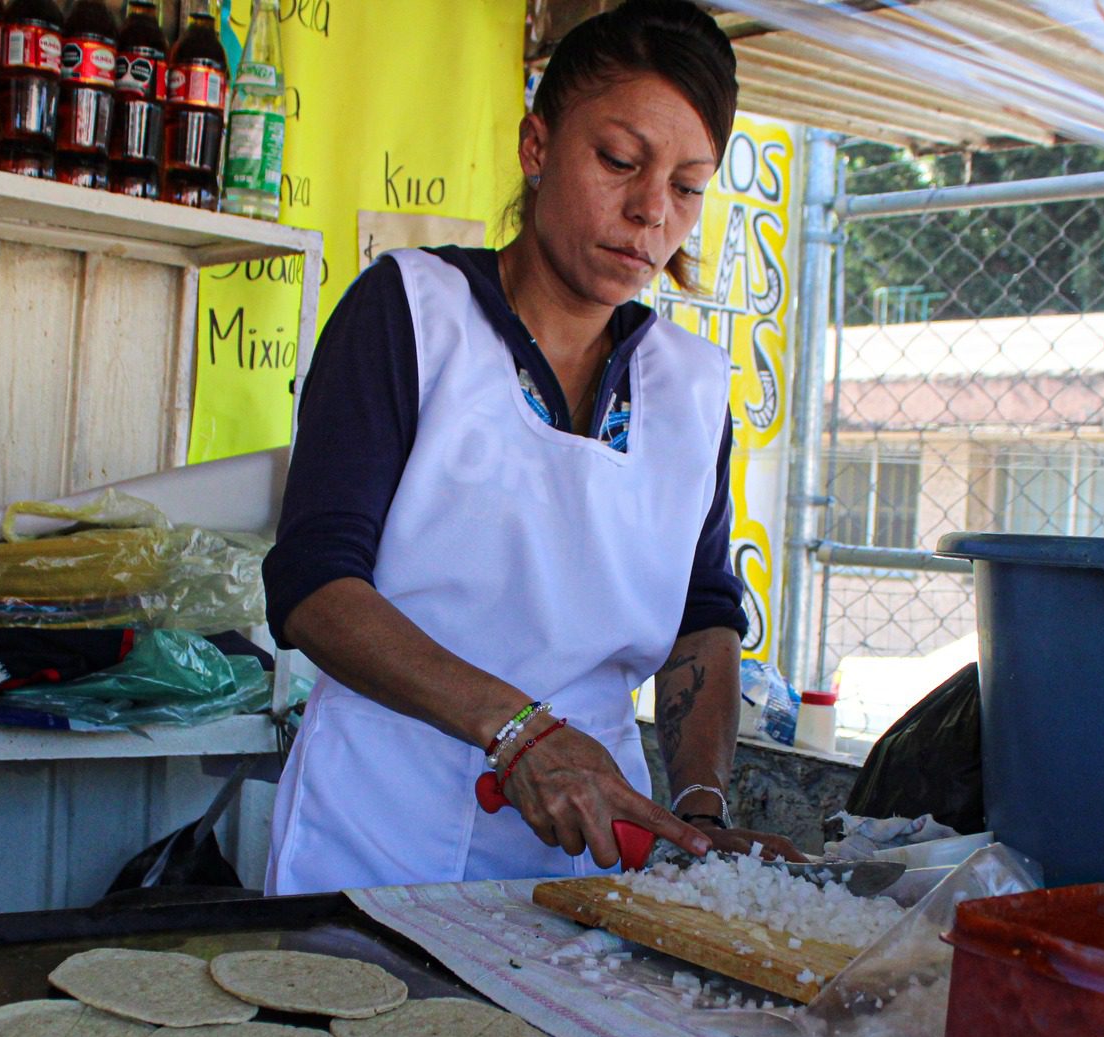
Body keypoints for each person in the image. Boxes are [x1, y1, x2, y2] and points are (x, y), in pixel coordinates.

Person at [262, 0, 802, 895]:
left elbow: (702, 617)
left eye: (687, 185)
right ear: (536, 145)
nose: (648, 212)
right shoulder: (411, 313)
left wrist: (699, 819)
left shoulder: (692, 387)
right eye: (620, 161)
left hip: (584, 856)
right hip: (375, 837)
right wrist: (520, 733)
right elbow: (315, 585)